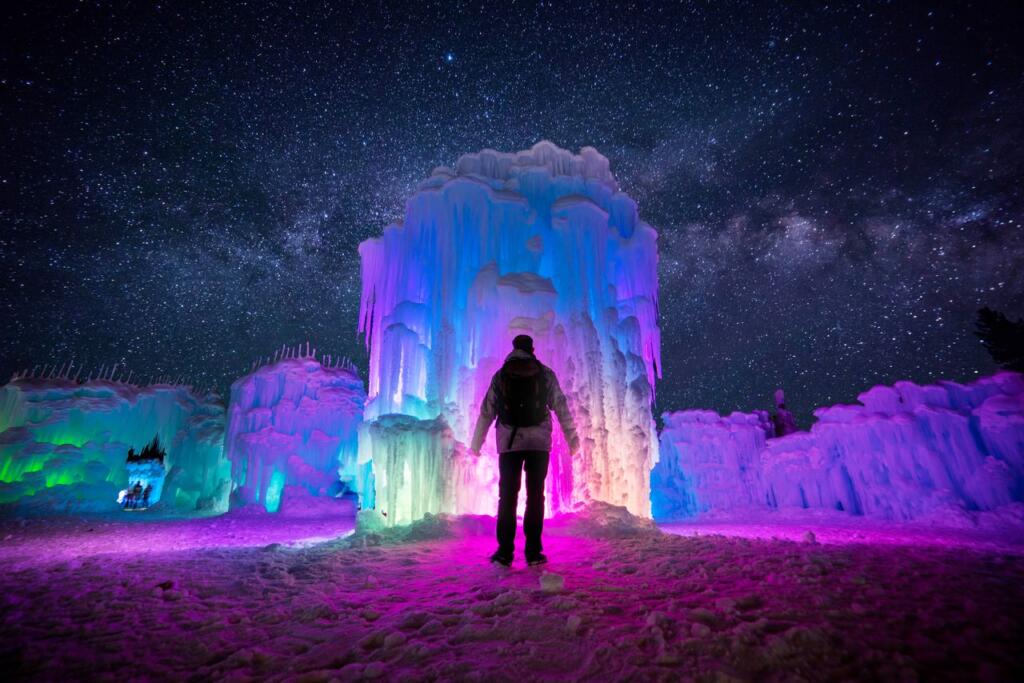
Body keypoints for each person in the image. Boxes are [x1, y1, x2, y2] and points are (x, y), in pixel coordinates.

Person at [469, 334, 579, 567]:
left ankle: (504, 553)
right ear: (532, 349)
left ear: (514, 349)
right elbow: (561, 406)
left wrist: (476, 444)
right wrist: (573, 438)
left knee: (507, 497)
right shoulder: (545, 374)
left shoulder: (501, 376)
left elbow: (487, 411)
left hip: (509, 443)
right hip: (538, 444)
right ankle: (533, 553)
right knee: (535, 496)